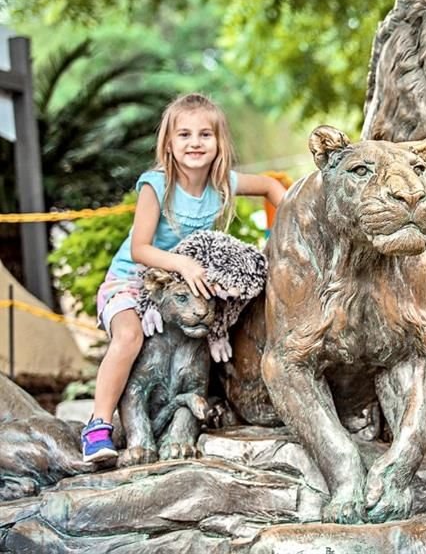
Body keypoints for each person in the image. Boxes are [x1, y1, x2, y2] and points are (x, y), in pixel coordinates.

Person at [81, 93, 287, 463]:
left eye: (205, 135)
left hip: (183, 290)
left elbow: (272, 188)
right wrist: (185, 266)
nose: (195, 143)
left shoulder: (223, 183)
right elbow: (141, 249)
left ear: (219, 142)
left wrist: (288, 229)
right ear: (169, 144)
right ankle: (97, 425)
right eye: (185, 135)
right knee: (129, 337)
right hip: (132, 282)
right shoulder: (156, 185)